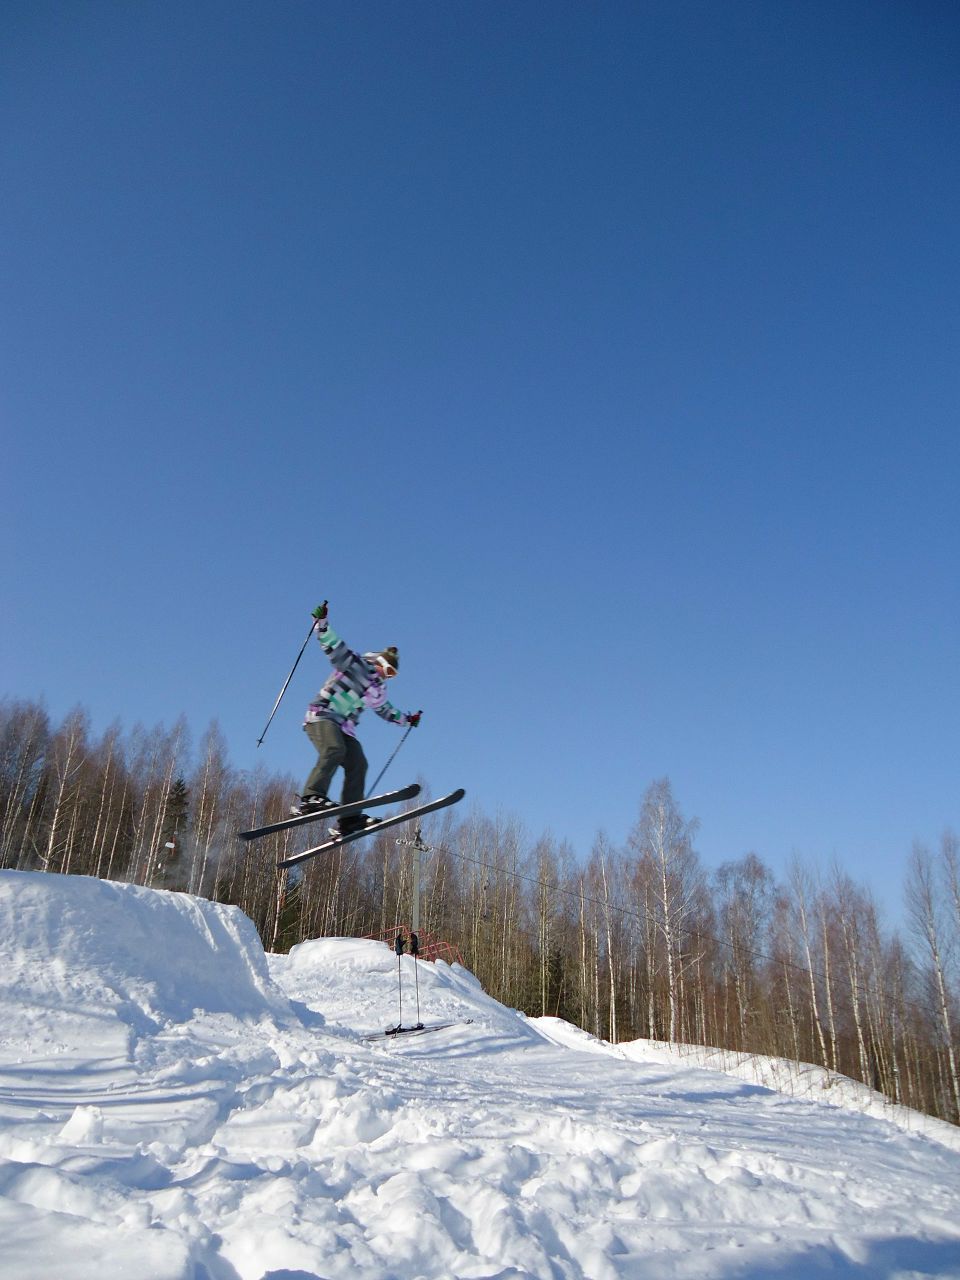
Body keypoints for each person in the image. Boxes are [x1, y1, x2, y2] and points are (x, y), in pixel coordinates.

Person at [293, 602, 422, 836]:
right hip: (322, 715)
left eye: (393, 675)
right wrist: (322, 624)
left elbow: (385, 710)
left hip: (345, 727)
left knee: (359, 763)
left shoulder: (377, 690)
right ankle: (312, 796)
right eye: (388, 670)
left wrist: (406, 719)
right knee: (334, 749)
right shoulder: (355, 663)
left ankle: (349, 819)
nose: (388, 676)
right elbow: (334, 646)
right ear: (380, 662)